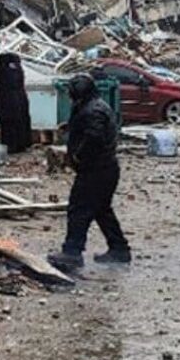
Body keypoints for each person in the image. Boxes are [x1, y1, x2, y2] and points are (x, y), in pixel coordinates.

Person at [49, 73, 130, 271]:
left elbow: (94, 136)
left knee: (79, 209)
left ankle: (72, 252)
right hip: (104, 169)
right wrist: (71, 127)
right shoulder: (93, 105)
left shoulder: (92, 110)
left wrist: (77, 156)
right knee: (102, 210)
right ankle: (119, 249)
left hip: (96, 170)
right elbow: (89, 127)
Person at [0, 53, 32, 154]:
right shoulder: (18, 69)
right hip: (20, 99)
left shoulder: (3, 70)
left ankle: (10, 145)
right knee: (20, 123)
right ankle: (22, 144)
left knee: (8, 124)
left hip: (7, 100)